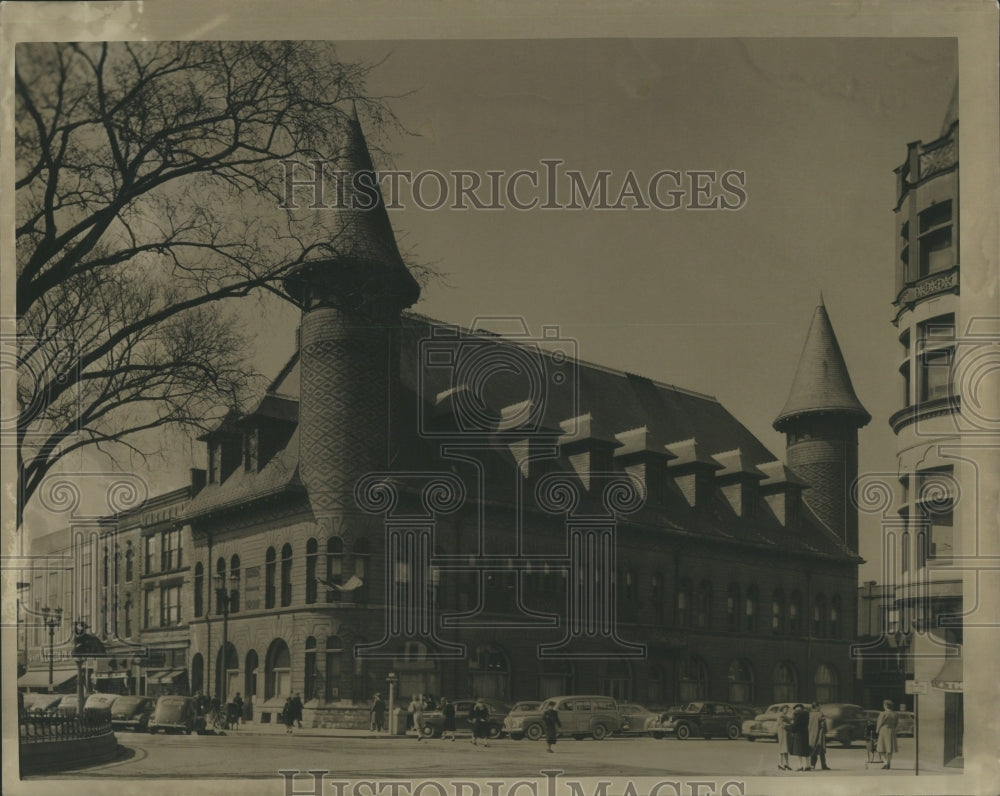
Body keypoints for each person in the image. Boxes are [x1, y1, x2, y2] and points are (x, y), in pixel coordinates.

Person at [875, 699, 899, 770]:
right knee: (890, 749)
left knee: (880, 748)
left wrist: (877, 731)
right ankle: (889, 763)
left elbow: (879, 723)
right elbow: (896, 723)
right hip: (892, 731)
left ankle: (885, 762)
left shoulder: (883, 713)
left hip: (884, 731)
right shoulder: (895, 714)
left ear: (885, 706)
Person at [808, 702, 830, 770]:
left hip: (811, 734)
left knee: (812, 749)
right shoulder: (820, 714)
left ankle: (812, 765)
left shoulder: (809, 714)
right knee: (821, 750)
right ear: (817, 706)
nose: (820, 708)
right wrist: (825, 731)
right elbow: (823, 725)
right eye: (819, 706)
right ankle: (823, 765)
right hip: (819, 733)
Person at [789, 704, 811, 771]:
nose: (795, 711)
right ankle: (808, 766)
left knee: (798, 752)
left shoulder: (798, 716)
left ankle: (800, 766)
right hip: (805, 734)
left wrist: (788, 727)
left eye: (796, 710)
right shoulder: (807, 715)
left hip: (798, 735)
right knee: (806, 751)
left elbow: (795, 726)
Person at [775, 704, 792, 770]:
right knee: (782, 748)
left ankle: (786, 764)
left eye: (787, 709)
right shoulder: (781, 715)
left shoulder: (785, 716)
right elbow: (781, 724)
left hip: (785, 733)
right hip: (782, 733)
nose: (787, 710)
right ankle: (780, 763)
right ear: (782, 709)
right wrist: (788, 724)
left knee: (785, 749)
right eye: (785, 709)